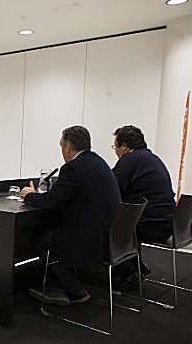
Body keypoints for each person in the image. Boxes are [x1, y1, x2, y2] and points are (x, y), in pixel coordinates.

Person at [20, 125, 121, 305]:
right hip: (108, 235)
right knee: (54, 232)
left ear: (67, 146)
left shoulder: (73, 168)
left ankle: (74, 290)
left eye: (61, 146)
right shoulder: (98, 162)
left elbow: (52, 201)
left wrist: (29, 195)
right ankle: (56, 285)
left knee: (42, 240)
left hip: (88, 238)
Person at [111, 125, 176, 287]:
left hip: (151, 225)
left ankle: (127, 271)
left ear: (124, 146)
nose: (115, 151)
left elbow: (111, 188)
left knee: (106, 226)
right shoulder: (152, 158)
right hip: (169, 223)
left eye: (115, 146)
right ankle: (135, 266)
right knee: (128, 219)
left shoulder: (129, 160)